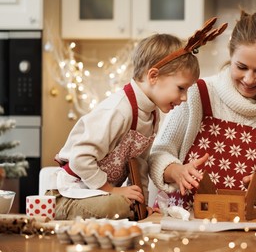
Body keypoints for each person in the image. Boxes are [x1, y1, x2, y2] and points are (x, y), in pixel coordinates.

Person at [50, 19, 226, 220]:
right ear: (153, 76)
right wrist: (112, 190)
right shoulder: (119, 110)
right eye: (181, 88)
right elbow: (80, 158)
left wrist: (141, 205)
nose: (185, 97)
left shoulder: (152, 115)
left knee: (129, 209)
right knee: (118, 206)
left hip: (98, 195)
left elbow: (139, 166)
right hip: (68, 195)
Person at [149, 9, 256, 211]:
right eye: (241, 67)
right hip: (183, 221)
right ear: (230, 53)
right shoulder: (196, 94)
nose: (249, 79)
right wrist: (176, 171)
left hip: (244, 232)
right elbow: (159, 153)